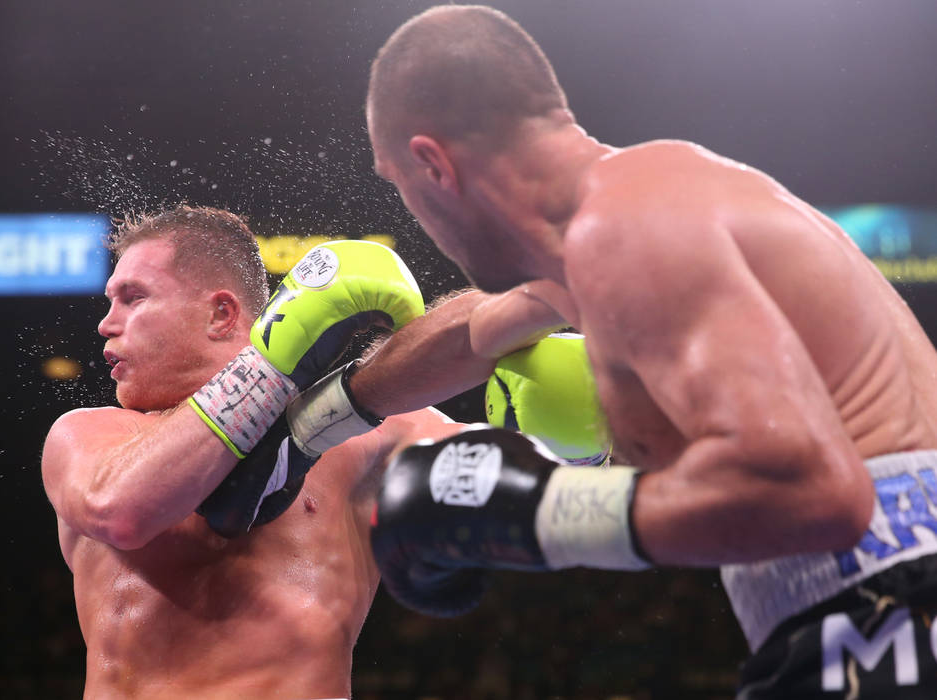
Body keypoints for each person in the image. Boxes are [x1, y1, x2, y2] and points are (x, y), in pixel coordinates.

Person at [304, 5, 937, 697]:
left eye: (398, 186)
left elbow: (819, 495)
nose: (415, 216)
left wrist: (532, 512)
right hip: (871, 606)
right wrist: (309, 424)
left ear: (432, 165)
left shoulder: (627, 227)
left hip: (893, 607)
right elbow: (470, 334)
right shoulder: (626, 222)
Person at [40, 204, 466, 698]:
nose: (106, 324)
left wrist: (543, 302)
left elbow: (529, 462)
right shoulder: (91, 434)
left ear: (221, 314)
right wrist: (273, 364)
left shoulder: (366, 432)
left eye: (133, 298)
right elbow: (120, 511)